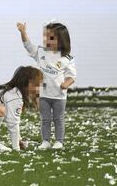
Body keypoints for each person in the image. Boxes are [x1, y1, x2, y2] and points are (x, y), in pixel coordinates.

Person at [16, 20, 77, 150]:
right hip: (43, 94)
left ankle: (59, 141)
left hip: (59, 96)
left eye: (50, 38)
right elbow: (28, 45)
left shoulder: (67, 58)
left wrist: (66, 84)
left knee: (58, 119)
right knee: (45, 119)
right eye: (45, 37)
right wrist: (23, 32)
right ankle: (46, 141)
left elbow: (72, 76)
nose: (46, 40)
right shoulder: (41, 52)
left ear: (61, 40)